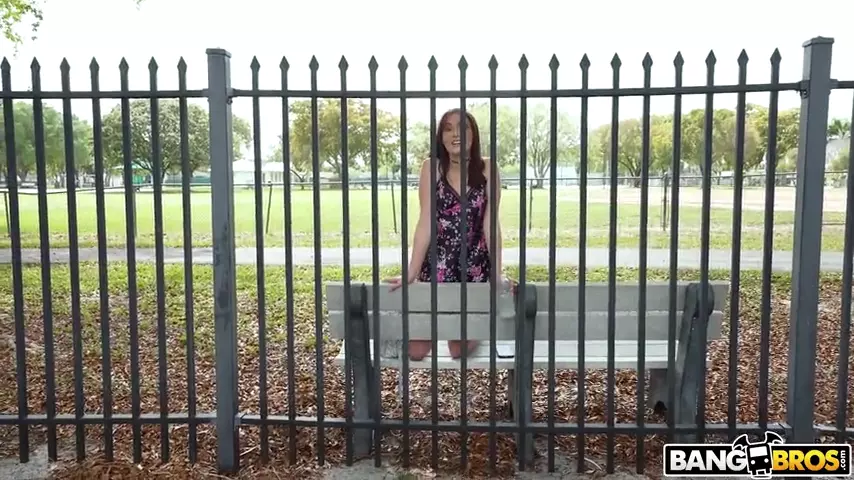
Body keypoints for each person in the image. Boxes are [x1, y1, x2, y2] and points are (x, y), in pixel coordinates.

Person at [386, 108, 513, 361]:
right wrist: (411, 272)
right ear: (440, 137)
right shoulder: (431, 168)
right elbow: (425, 222)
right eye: (448, 128)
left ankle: (473, 327)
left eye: (462, 128)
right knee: (416, 351)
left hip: (475, 269)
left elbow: (491, 224)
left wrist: (496, 272)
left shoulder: (488, 168)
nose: (455, 134)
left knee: (458, 350)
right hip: (438, 268)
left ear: (473, 134)